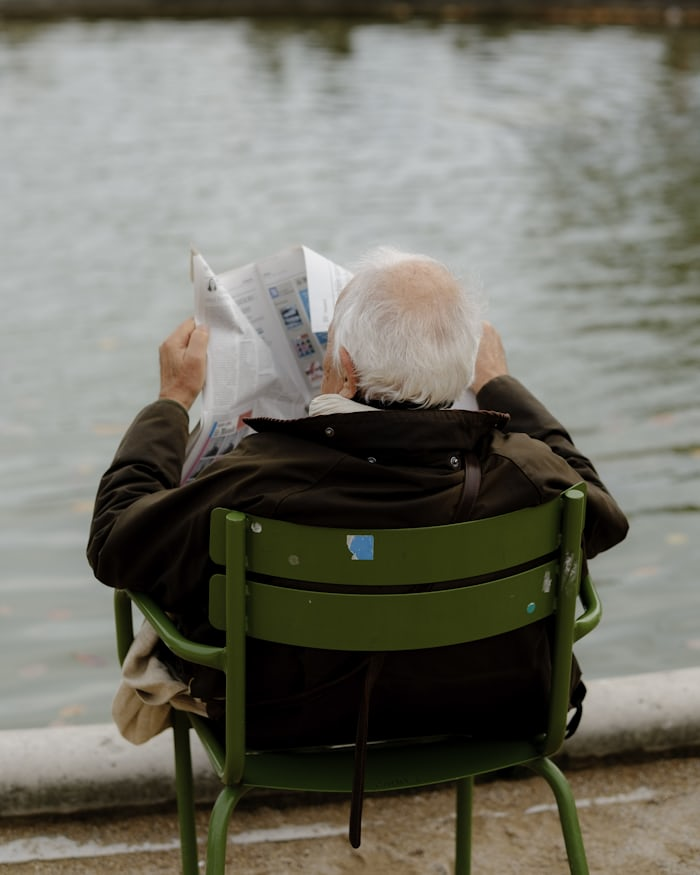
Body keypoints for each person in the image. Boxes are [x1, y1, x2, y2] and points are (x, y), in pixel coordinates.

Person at [87, 246, 628, 750]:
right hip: (493, 713)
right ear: (463, 366)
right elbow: (604, 512)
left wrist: (172, 400)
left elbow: (115, 543)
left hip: (279, 728)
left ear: (344, 371)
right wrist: (500, 383)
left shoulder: (257, 480)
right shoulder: (527, 473)